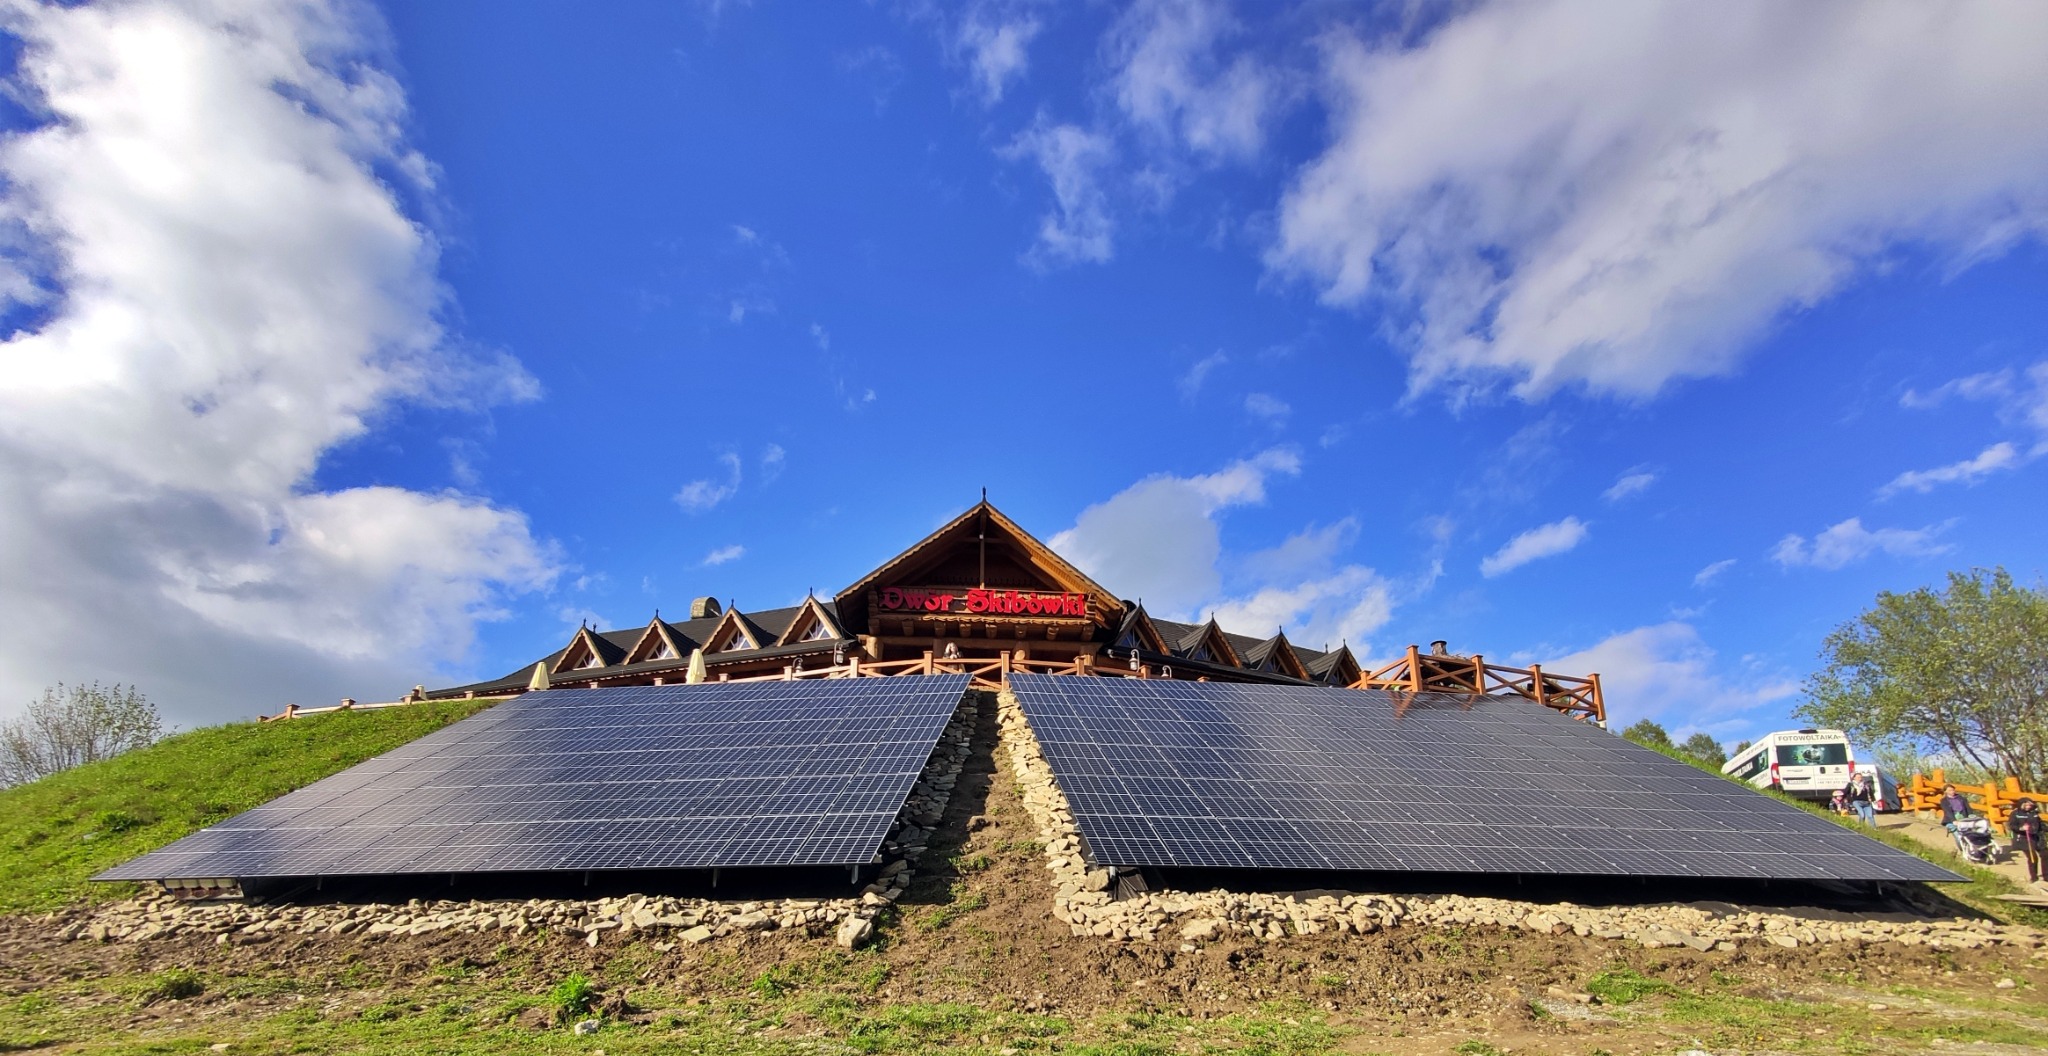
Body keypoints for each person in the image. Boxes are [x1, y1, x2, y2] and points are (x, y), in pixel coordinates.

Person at [2008, 796, 2044, 884]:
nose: (2028, 807)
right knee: (2032, 857)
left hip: (2036, 836)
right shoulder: (2015, 813)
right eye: (2026, 805)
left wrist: (2044, 828)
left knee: (2045, 854)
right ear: (2022, 805)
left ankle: (2046, 876)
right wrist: (2021, 828)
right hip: (2023, 838)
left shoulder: (2034, 812)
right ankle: (2034, 877)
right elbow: (2012, 826)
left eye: (2030, 805)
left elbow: (2040, 824)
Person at [1938, 784, 1976, 853]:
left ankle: (1973, 849)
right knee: (1958, 837)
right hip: (1951, 820)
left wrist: (1971, 815)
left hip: (1964, 819)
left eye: (1953, 790)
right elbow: (1948, 811)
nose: (1952, 791)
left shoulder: (1962, 798)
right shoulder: (1944, 801)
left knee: (1969, 834)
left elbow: (1968, 808)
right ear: (1945, 791)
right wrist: (1954, 820)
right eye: (1949, 790)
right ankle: (1963, 850)